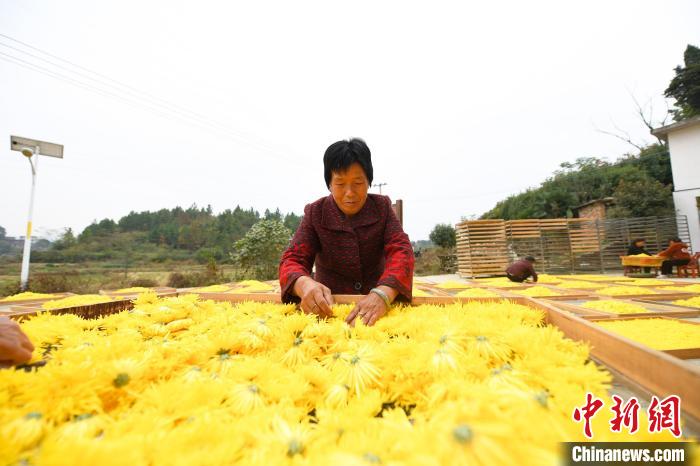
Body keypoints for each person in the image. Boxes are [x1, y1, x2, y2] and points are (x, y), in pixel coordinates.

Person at [279, 138, 414, 327]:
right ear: (329, 185)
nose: (349, 193)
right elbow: (292, 259)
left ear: (369, 182)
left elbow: (402, 251)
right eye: (340, 184)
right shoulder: (316, 212)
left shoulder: (382, 208)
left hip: (377, 306)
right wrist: (304, 285)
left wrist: (383, 293)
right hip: (328, 309)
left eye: (358, 182)